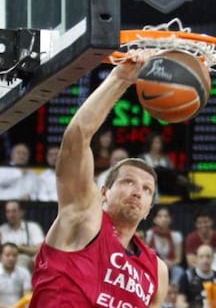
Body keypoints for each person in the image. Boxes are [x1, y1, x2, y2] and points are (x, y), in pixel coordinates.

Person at [30, 56, 168, 307]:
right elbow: (77, 137)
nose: (138, 191)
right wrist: (120, 78)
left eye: (147, 189)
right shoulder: (84, 216)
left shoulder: (157, 270)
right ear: (104, 192)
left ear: (149, 209)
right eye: (128, 182)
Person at [139, 132, 201, 198]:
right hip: (149, 182)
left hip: (165, 184)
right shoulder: (143, 157)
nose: (158, 145)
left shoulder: (166, 159)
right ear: (150, 143)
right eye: (156, 142)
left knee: (171, 175)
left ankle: (188, 185)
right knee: (158, 169)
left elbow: (172, 173)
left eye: (159, 142)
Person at [0, 200, 45, 271]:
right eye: (8, 212)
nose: (11, 215)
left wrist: (20, 248)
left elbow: (41, 249)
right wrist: (25, 248)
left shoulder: (33, 227)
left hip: (31, 263)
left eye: (14, 211)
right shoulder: (1, 230)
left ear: (21, 212)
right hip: (7, 263)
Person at [0, 242, 32, 308]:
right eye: (8, 255)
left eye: (14, 255)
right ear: (0, 256)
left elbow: (27, 297)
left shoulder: (24, 272)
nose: (11, 258)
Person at [146, 206, 184, 285]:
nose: (163, 219)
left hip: (171, 266)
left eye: (166, 216)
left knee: (179, 270)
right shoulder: (149, 235)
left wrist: (170, 263)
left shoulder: (176, 236)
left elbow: (178, 259)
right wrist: (161, 263)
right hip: (154, 265)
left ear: (170, 219)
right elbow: (145, 256)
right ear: (155, 219)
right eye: (160, 216)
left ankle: (173, 289)